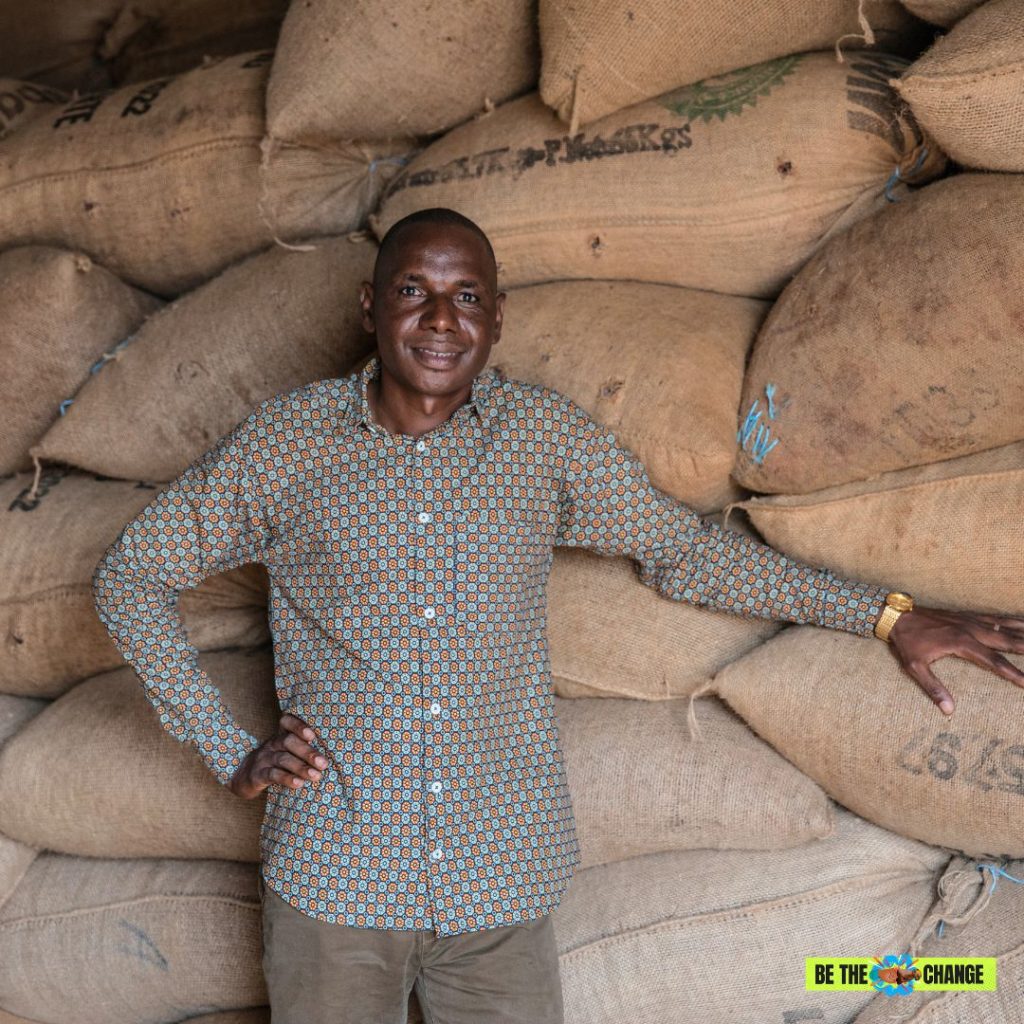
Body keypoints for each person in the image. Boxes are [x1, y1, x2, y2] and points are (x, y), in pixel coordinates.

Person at [91, 207, 1024, 1024]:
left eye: (466, 297)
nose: (440, 319)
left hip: (502, 876)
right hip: (335, 876)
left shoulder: (541, 440)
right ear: (369, 309)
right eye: (413, 291)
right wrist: (230, 750)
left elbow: (684, 553)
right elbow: (129, 576)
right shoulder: (288, 446)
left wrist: (886, 615)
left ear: (498, 318)